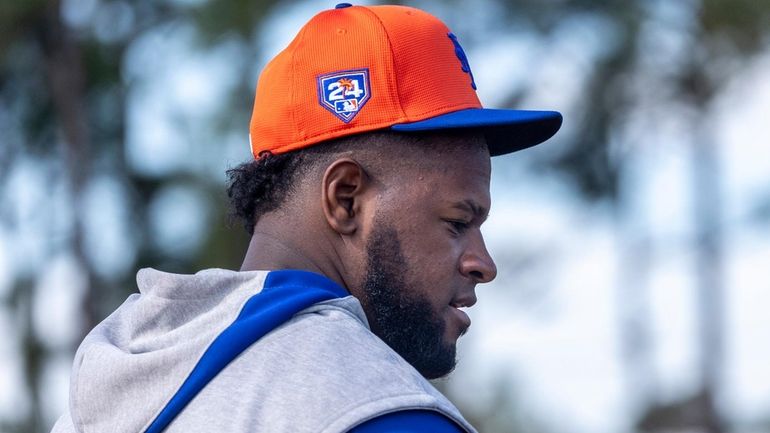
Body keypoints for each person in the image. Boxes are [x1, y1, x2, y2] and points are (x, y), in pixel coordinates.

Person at [51, 3, 561, 433]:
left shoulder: (97, 400)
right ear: (345, 199)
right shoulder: (376, 409)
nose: (483, 263)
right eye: (457, 222)